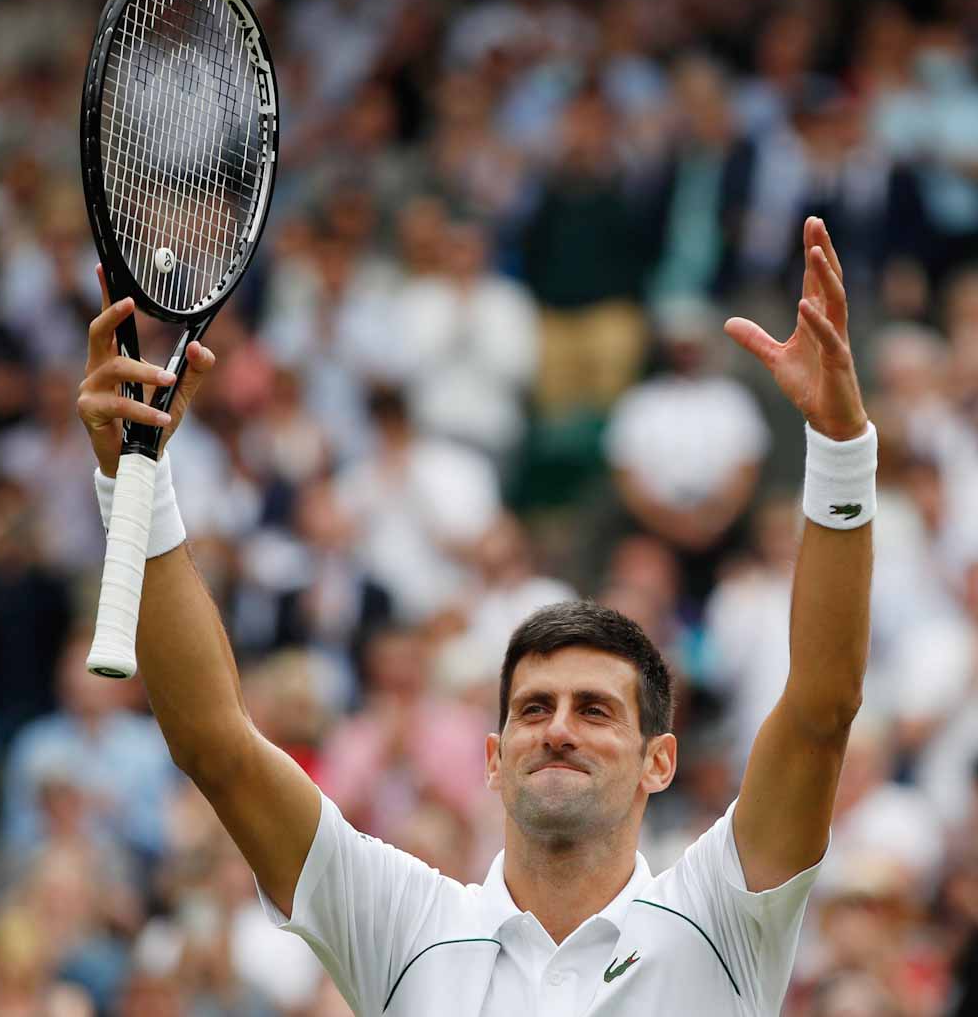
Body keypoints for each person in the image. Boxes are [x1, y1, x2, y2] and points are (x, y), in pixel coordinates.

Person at [74, 215, 876, 1015]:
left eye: (595, 709)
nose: (558, 727)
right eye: (534, 708)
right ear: (493, 759)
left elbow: (822, 705)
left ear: (659, 762)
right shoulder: (406, 925)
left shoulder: (723, 915)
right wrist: (134, 479)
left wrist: (840, 446)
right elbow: (216, 744)